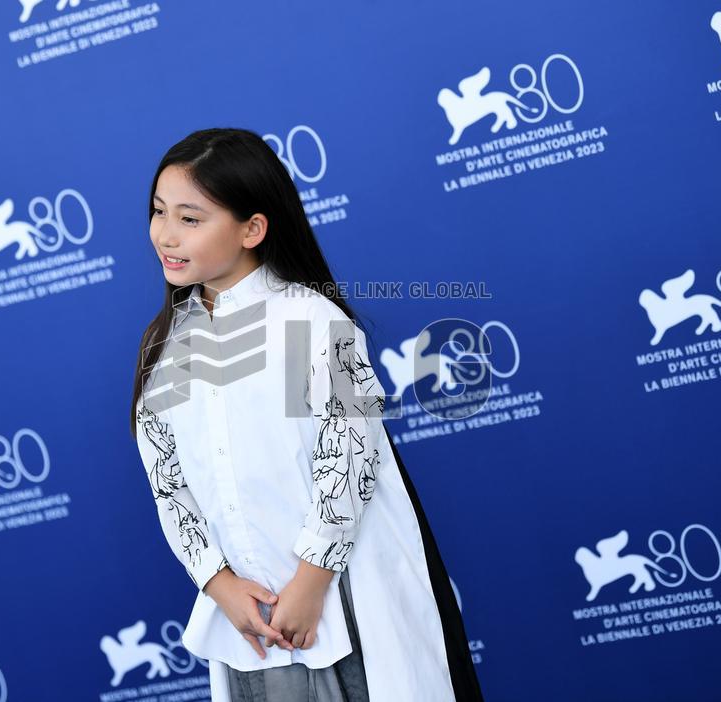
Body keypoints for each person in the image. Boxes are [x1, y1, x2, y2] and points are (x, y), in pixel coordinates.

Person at [129, 128, 484, 702]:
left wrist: (312, 580)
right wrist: (218, 583)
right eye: (158, 212)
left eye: (190, 219)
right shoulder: (166, 347)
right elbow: (168, 483)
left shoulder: (307, 320)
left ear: (253, 228)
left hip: (340, 601)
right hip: (251, 621)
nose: (165, 234)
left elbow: (350, 453)